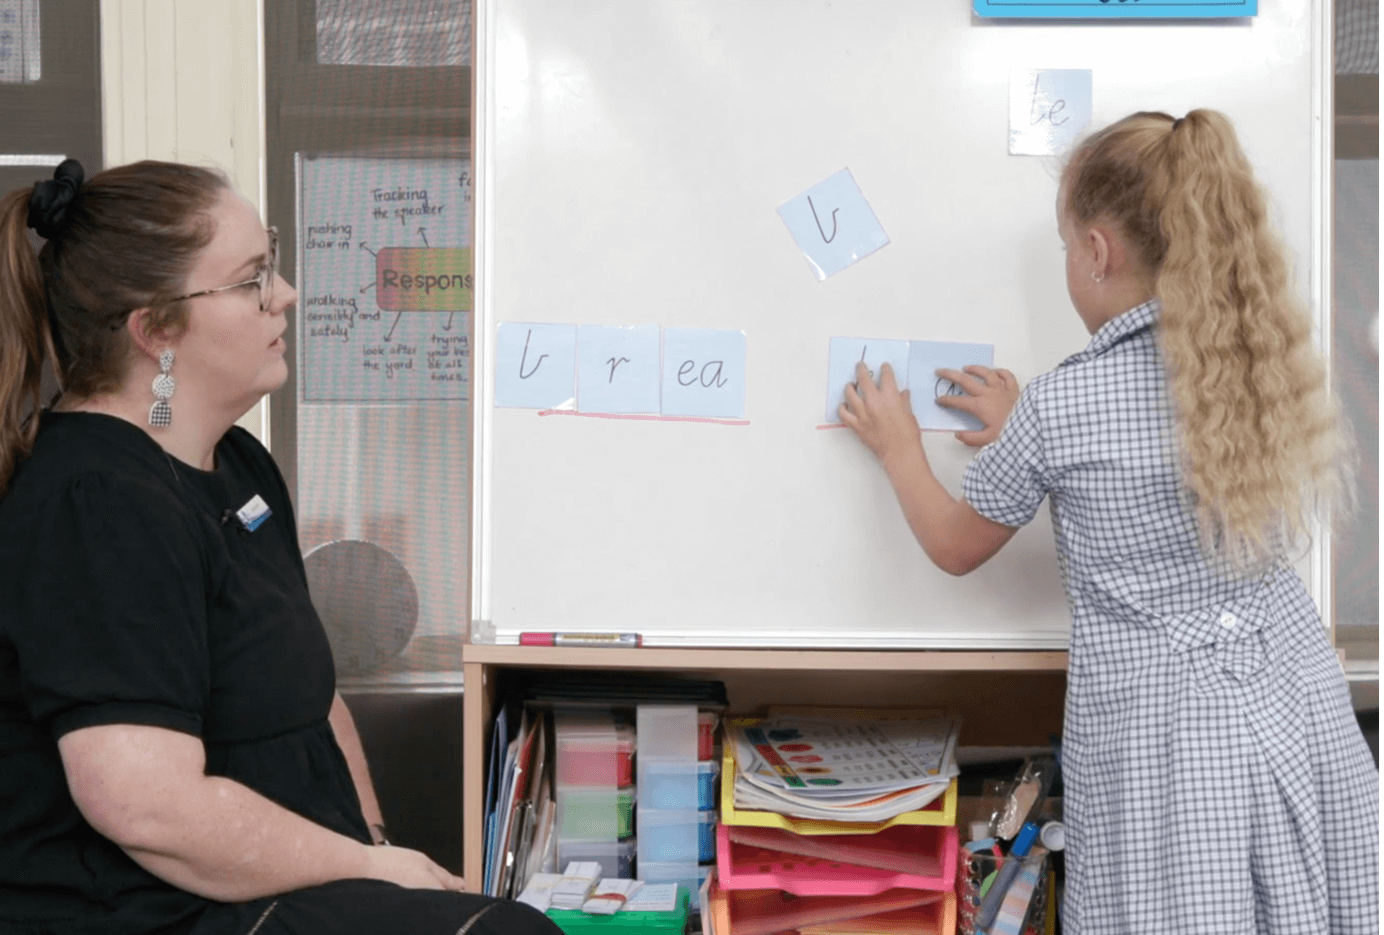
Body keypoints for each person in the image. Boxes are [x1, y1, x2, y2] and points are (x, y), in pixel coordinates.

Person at [839, 110, 1379, 933]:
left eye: (1065, 248)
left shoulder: (1062, 407)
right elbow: (1149, 461)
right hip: (1296, 711)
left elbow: (954, 545)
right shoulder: (1260, 371)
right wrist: (1027, 427)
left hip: (1170, 752)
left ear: (1097, 250)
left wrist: (899, 446)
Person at [0, 160, 562, 935]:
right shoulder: (94, 504)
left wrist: (373, 845)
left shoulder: (237, 465)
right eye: (252, 279)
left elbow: (312, 696)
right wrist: (366, 869)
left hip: (284, 884)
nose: (287, 295)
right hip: (157, 912)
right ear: (156, 328)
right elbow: (145, 805)